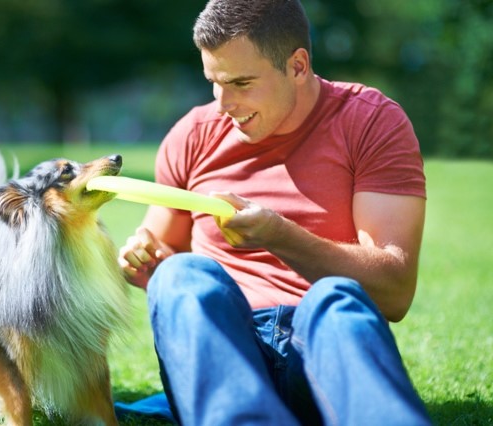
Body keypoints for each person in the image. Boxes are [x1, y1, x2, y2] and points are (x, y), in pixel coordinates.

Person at [118, 0, 432, 424]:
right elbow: (161, 258)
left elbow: (393, 292)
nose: (224, 103)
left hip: (320, 351)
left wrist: (279, 234)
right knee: (180, 275)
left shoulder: (371, 122)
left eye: (242, 83)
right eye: (215, 81)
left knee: (336, 300)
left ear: (298, 65)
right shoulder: (191, 135)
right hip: (225, 355)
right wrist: (144, 260)